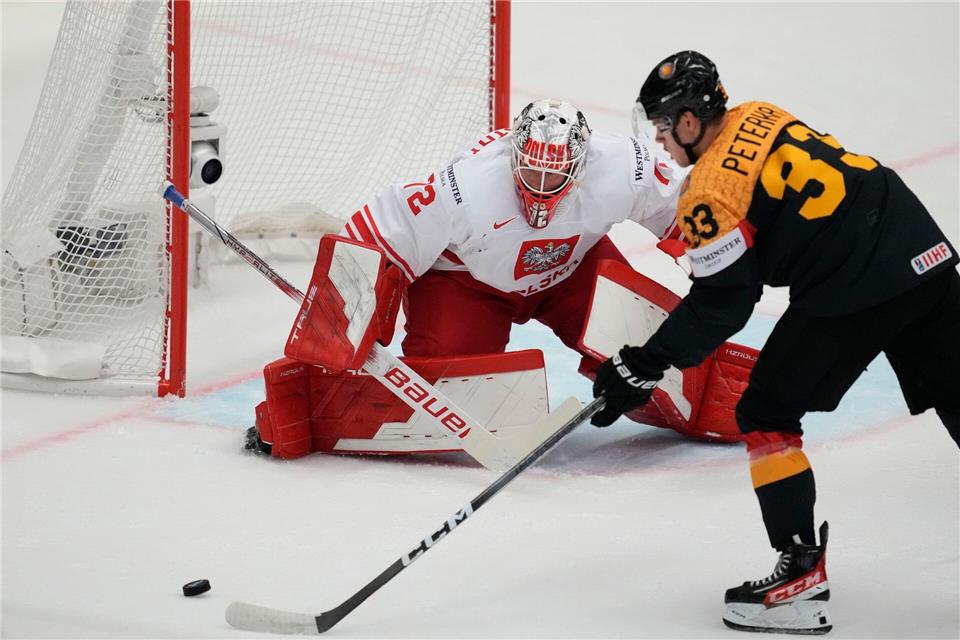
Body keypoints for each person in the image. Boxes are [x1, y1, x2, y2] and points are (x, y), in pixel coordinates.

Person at [591, 50, 960, 634]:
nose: (659, 139)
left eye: (662, 125)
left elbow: (726, 303)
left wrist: (645, 362)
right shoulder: (759, 113)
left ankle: (799, 582)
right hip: (917, 241)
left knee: (765, 411)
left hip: (855, 279)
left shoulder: (708, 191)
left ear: (689, 120)